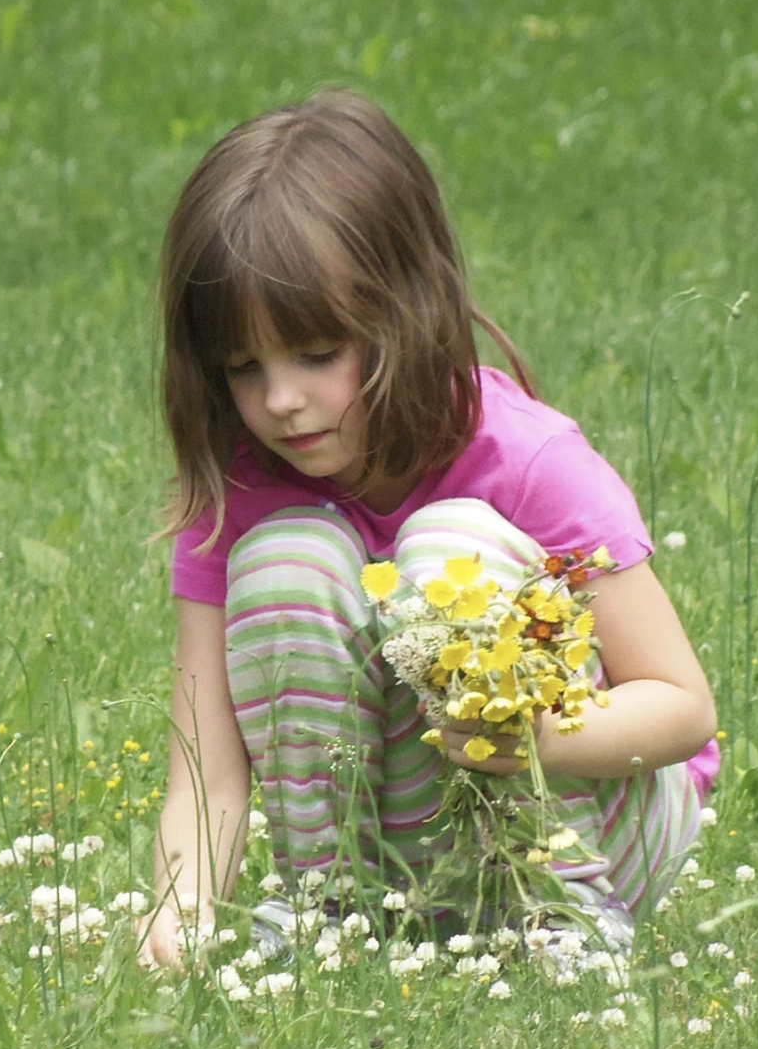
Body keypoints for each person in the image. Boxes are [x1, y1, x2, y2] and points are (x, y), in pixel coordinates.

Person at [136, 87, 718, 971]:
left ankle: (557, 917)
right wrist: (177, 915)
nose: (281, 401)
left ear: (403, 309)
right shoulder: (241, 491)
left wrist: (528, 737)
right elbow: (209, 770)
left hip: (599, 812)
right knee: (288, 559)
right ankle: (333, 912)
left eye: (318, 354)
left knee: (451, 545)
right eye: (244, 368)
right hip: (410, 851)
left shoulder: (525, 460)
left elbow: (682, 710)